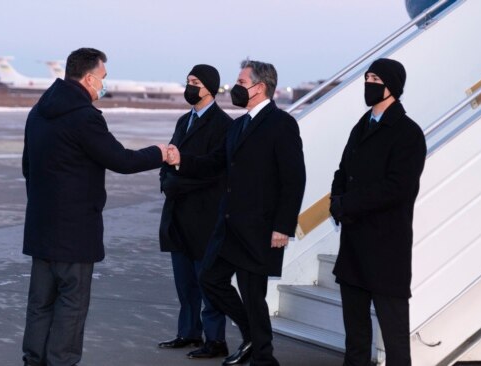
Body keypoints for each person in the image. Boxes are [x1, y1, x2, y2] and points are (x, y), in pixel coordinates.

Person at [21, 47, 169, 366]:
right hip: (74, 233)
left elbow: (27, 168)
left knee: (40, 305)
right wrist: (159, 152)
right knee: (71, 307)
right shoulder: (83, 117)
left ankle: (33, 361)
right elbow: (120, 159)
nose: (104, 84)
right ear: (89, 78)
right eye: (103, 77)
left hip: (41, 228)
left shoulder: (38, 111)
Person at [165, 60, 306, 366]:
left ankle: (263, 357)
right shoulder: (239, 125)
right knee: (210, 280)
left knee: (253, 296)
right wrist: (181, 160)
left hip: (259, 228)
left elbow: (294, 179)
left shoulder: (281, 124)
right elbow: (215, 163)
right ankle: (253, 336)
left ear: (261, 87)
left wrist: (283, 225)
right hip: (230, 227)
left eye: (242, 82)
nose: (237, 87)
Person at [329, 58, 426, 366]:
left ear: (392, 86)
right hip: (355, 245)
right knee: (355, 338)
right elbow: (343, 170)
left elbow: (398, 187)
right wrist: (336, 199)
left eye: (375, 78)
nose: (368, 83)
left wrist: (349, 204)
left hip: (387, 249)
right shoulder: (361, 125)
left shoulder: (408, 133)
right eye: (367, 77)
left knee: (395, 338)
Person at [157, 64, 232, 359]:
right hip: (177, 213)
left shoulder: (223, 125)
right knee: (185, 281)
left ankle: (215, 340)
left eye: (195, 82)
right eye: (188, 81)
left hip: (204, 215)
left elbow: (215, 168)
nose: (189, 86)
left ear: (210, 88)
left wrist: (178, 177)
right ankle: (188, 332)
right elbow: (170, 157)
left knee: (208, 281)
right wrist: (166, 181)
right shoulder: (182, 120)